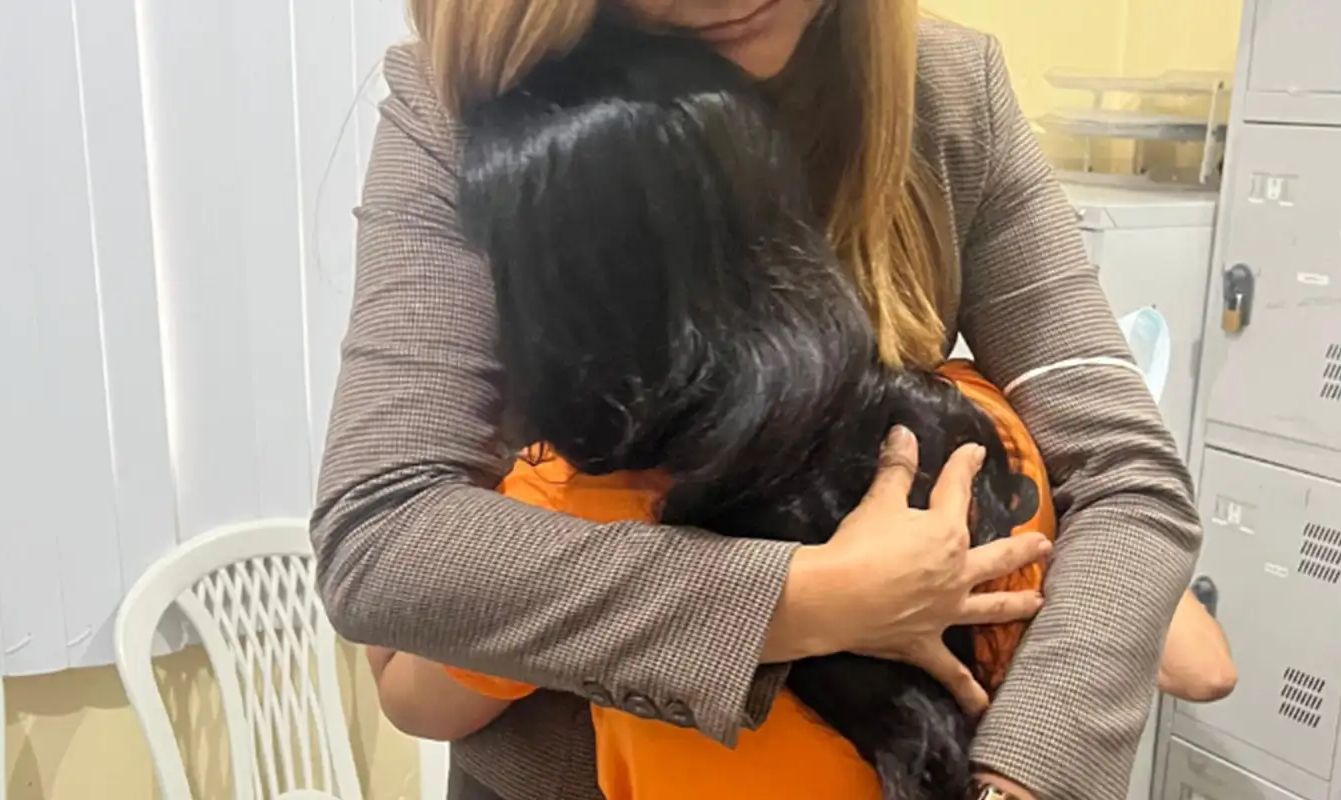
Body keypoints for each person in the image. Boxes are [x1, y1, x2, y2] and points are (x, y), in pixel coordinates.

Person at [313, 1, 1202, 798]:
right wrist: (812, 601)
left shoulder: (949, 89)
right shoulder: (469, 99)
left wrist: (1022, 776)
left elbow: (1126, 476)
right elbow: (384, 536)